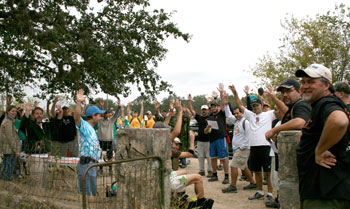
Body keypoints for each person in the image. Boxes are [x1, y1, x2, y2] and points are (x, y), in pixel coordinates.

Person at [295, 64, 350, 209]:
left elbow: (339, 121)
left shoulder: (326, 103)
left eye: (312, 82)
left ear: (326, 85)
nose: (305, 86)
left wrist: (319, 150)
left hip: (325, 195)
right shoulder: (321, 106)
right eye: (303, 82)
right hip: (330, 191)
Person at [264, 79, 312, 208]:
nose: (285, 95)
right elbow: (287, 112)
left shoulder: (301, 105)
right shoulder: (294, 107)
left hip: (296, 168)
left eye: (289, 91)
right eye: (282, 92)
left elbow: (301, 122)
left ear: (299, 91)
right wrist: (274, 98)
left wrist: (275, 129)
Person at [230, 84, 276, 204]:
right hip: (254, 147)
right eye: (254, 105)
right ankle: (260, 191)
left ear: (261, 105)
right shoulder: (250, 115)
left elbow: (280, 110)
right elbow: (240, 105)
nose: (255, 107)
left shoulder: (269, 114)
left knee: (268, 171)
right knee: (257, 171)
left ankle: (270, 193)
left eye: (257, 105)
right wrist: (235, 93)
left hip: (265, 146)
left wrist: (273, 95)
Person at [221, 92, 257, 194]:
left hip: (243, 149)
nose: (236, 115)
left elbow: (248, 136)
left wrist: (243, 147)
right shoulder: (236, 121)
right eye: (235, 113)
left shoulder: (245, 122)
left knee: (233, 165)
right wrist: (227, 104)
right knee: (244, 166)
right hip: (238, 148)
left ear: (242, 113)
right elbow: (228, 114)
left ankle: (233, 186)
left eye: (238, 113)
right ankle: (253, 183)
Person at [74, 89, 105, 196]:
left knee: (91, 195)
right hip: (86, 165)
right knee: (86, 196)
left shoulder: (92, 129)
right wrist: (78, 102)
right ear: (93, 116)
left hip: (92, 165)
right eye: (99, 116)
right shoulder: (84, 126)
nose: (101, 118)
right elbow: (77, 118)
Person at [205, 83, 229, 184]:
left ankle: (226, 176)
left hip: (220, 138)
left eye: (214, 107)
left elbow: (223, 104)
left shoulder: (221, 114)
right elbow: (206, 132)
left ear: (217, 107)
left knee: (223, 158)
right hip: (212, 140)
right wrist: (207, 128)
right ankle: (215, 175)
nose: (213, 108)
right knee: (213, 158)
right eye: (211, 107)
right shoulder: (209, 117)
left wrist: (221, 93)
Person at [188, 94, 213, 177]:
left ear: (208, 110)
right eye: (203, 110)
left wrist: (211, 101)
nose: (204, 111)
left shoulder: (210, 117)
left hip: (209, 140)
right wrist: (189, 101)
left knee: (209, 157)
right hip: (200, 141)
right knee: (200, 157)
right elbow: (192, 111)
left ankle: (210, 171)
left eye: (205, 110)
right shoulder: (199, 117)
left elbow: (215, 110)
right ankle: (201, 170)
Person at [97, 98, 120, 172]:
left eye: (107, 113)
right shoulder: (100, 120)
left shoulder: (111, 120)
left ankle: (110, 169)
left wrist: (118, 108)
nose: (106, 114)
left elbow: (116, 115)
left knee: (109, 156)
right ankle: (101, 169)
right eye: (105, 113)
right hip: (101, 140)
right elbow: (101, 113)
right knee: (100, 156)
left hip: (109, 141)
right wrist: (101, 106)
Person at [0, 105, 21, 181]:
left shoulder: (10, 121)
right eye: (12, 111)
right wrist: (16, 150)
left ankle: (4, 182)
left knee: (6, 167)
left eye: (15, 111)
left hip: (9, 149)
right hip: (9, 149)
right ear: (8, 112)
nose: (14, 113)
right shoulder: (7, 122)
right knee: (8, 169)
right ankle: (6, 184)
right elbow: (10, 138)